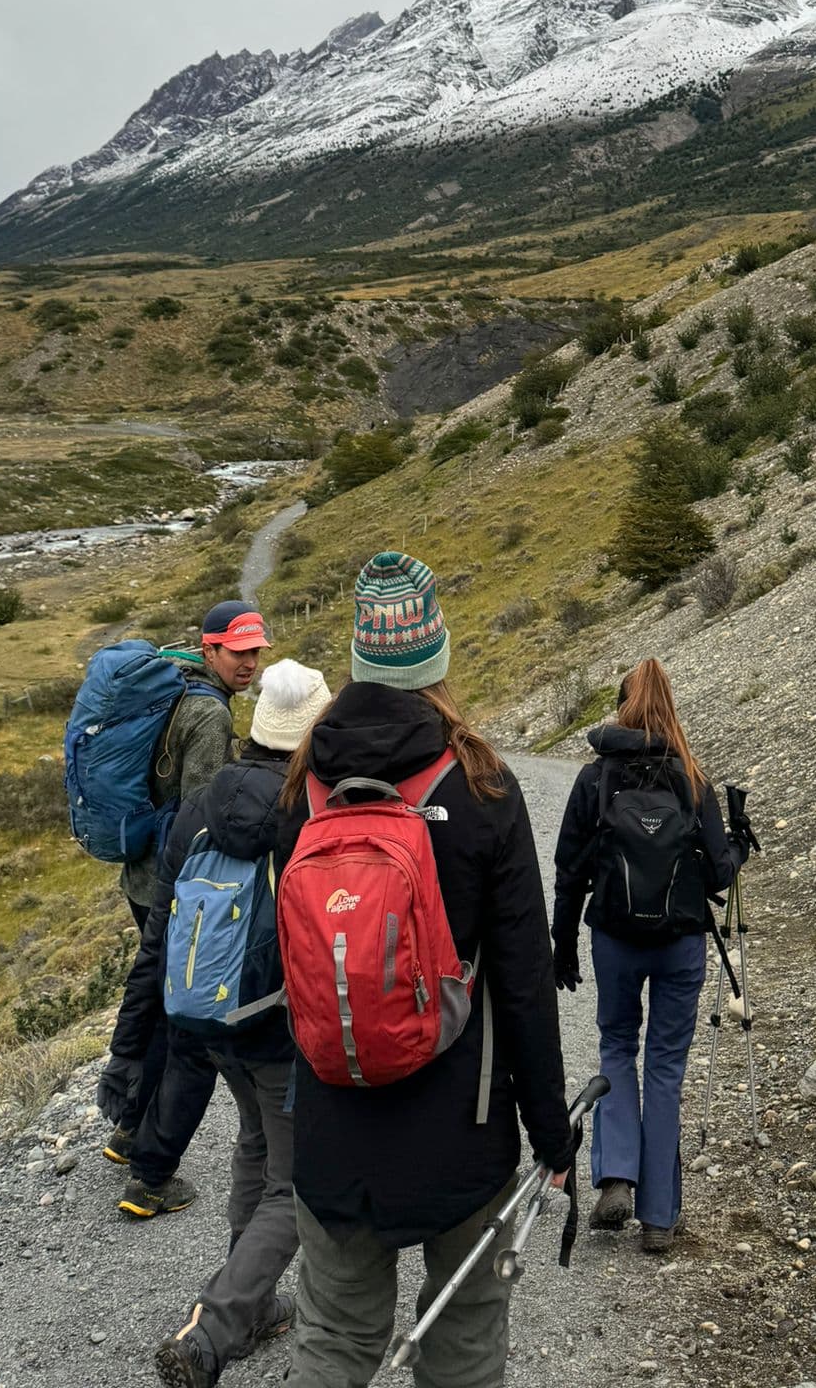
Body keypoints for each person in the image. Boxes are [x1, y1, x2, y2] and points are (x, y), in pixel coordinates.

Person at [274, 551, 575, 1388]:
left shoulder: (303, 787)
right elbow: (524, 977)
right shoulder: (482, 785)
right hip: (462, 1131)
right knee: (465, 1343)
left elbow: (293, 960)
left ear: (359, 656)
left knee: (333, 1339)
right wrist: (550, 1131)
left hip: (333, 1127)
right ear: (436, 654)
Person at [104, 659, 332, 1387]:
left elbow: (159, 936)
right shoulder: (307, 814)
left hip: (205, 1018)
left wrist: (130, 1046)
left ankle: (256, 1300)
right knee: (296, 1186)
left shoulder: (198, 806)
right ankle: (217, 1325)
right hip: (281, 1025)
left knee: (255, 1142)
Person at [550, 658, 740, 1254]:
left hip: (615, 939)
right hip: (681, 943)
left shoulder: (596, 778)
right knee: (664, 1068)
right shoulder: (692, 776)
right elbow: (719, 872)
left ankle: (615, 1177)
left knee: (616, 1046)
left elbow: (568, 870)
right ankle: (660, 1216)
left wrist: (562, 945)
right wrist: (739, 838)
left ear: (622, 705)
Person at [99, 602, 269, 1207]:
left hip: (142, 877)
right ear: (209, 649)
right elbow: (205, 814)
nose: (248, 662)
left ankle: (128, 1127)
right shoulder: (208, 713)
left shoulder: (174, 693)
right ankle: (151, 1177)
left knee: (161, 1008)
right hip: (174, 891)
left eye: (255, 652)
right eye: (237, 651)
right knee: (188, 1033)